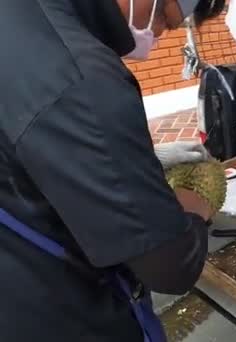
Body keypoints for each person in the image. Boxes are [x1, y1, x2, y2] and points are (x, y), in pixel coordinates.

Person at [0, 0, 224, 341]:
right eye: (166, 16)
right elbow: (169, 268)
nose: (160, 33)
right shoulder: (83, 78)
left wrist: (135, 160)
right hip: (64, 312)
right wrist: (195, 213)